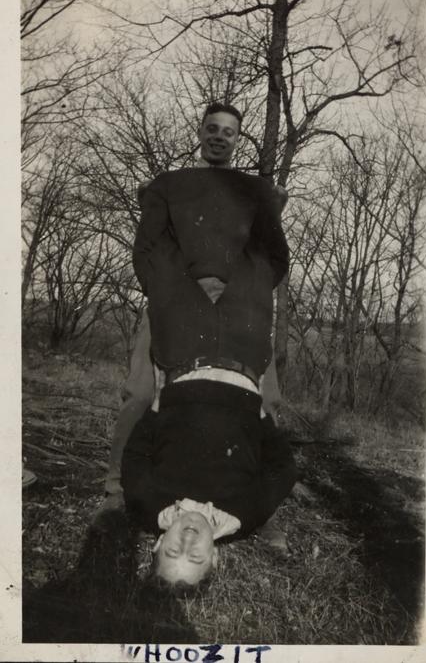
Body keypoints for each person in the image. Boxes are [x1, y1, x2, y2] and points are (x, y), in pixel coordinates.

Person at [96, 103, 288, 518]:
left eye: (229, 132)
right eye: (212, 128)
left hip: (240, 310)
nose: (220, 136)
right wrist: (181, 292)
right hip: (172, 300)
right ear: (200, 133)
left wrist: (239, 293)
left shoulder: (253, 191)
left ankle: (259, 504)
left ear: (239, 139)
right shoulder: (170, 185)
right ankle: (115, 491)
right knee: (141, 393)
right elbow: (147, 252)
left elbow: (274, 257)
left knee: (267, 398)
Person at [121, 376, 298, 587]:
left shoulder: (147, 504)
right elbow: (284, 469)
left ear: (159, 544)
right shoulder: (244, 516)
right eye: (195, 556)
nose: (187, 541)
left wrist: (156, 406)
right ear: (214, 556)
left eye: (173, 551)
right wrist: (262, 416)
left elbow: (134, 455)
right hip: (244, 390)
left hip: (181, 382)